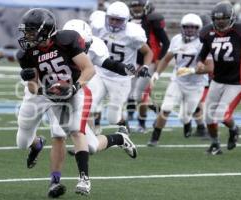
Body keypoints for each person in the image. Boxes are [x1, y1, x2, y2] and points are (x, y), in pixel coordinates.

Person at [16, 8, 95, 198]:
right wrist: (31, 80)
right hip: (42, 93)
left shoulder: (67, 40)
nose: (27, 35)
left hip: (68, 91)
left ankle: (84, 179)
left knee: (76, 130)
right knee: (22, 142)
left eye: (31, 30)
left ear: (46, 30)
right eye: (26, 30)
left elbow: (89, 69)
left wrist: (74, 88)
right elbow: (34, 88)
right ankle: (36, 144)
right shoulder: (26, 53)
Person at [62, 19, 138, 158]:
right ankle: (84, 141)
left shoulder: (95, 47)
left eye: (82, 45)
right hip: (68, 85)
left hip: (86, 81)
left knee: (100, 120)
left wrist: (125, 69)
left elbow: (108, 64)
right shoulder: (58, 45)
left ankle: (90, 141)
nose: (78, 48)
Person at [197, 1, 241, 155]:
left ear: (232, 18)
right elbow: (203, 53)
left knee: (222, 115)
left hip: (237, 82)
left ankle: (234, 129)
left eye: (224, 19)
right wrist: (200, 62)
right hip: (217, 80)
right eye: (218, 19)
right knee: (208, 116)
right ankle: (215, 144)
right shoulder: (208, 33)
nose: (220, 22)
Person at [147, 13, 213, 147]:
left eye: (193, 27)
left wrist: (193, 70)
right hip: (177, 81)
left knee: (185, 116)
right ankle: (155, 137)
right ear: (182, 27)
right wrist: (156, 74)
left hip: (196, 84)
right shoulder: (176, 39)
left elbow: (210, 67)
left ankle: (187, 124)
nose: (190, 30)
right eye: (187, 27)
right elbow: (166, 59)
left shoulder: (202, 43)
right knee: (166, 108)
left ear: (199, 28)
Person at [91, 1, 153, 131]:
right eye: (111, 19)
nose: (113, 22)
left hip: (121, 79)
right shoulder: (98, 27)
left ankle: (125, 127)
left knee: (113, 118)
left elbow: (148, 52)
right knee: (90, 106)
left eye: (118, 20)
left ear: (125, 20)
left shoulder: (133, 34)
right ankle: (89, 139)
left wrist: (145, 66)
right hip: (100, 73)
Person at [127, 0, 170, 132]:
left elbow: (166, 42)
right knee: (130, 93)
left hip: (149, 61)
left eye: (139, 5)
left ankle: (141, 124)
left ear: (145, 7)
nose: (136, 8)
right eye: (134, 6)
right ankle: (158, 112)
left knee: (139, 94)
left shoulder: (152, 20)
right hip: (133, 61)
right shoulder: (126, 20)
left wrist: (159, 60)